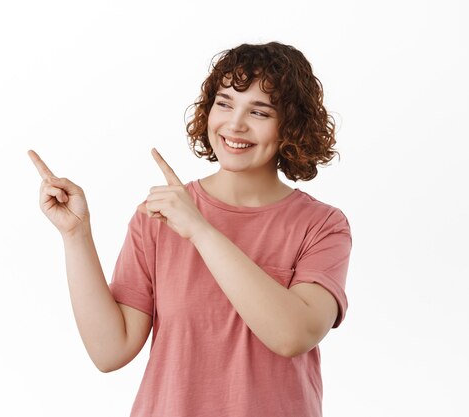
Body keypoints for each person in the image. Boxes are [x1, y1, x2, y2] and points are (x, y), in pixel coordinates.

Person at [28, 41, 352, 417]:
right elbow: (109, 351)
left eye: (259, 111)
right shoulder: (159, 216)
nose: (235, 124)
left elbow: (293, 335)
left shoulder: (322, 225)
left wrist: (201, 230)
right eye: (225, 103)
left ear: (291, 126)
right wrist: (76, 235)